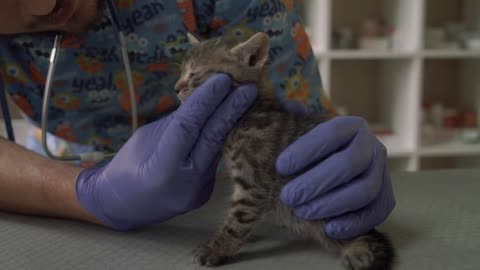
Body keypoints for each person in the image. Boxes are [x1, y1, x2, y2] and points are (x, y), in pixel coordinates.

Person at [0, 0, 395, 239]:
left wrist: (337, 164)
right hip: (55, 177)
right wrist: (83, 192)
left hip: (234, 189)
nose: (43, 4)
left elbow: (292, 119)